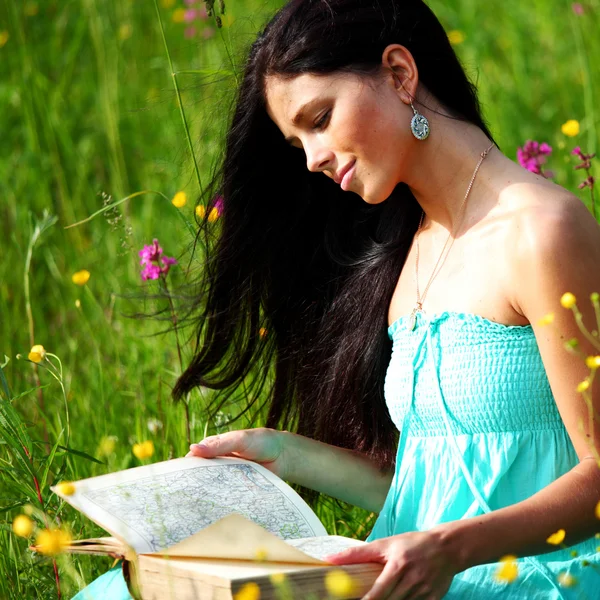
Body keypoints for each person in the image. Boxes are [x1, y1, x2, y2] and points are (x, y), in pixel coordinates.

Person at [73, 0, 600, 598]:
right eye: (296, 140)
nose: (311, 158)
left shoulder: (542, 230)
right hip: (412, 575)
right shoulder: (413, 249)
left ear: (400, 74)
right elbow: (434, 484)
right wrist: (282, 454)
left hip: (527, 579)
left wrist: (451, 548)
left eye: (319, 118)